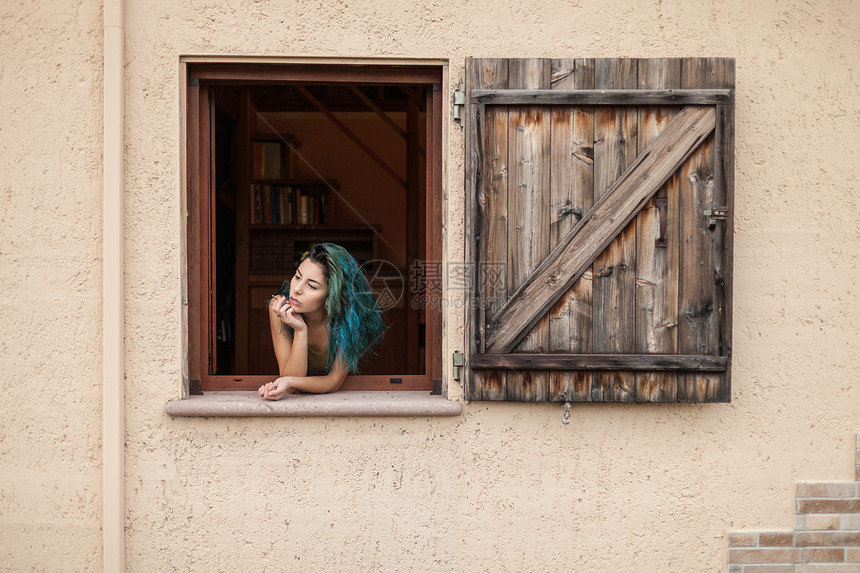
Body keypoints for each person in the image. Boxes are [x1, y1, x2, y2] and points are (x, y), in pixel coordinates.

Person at [258, 243, 384, 399]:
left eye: (311, 286)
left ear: (332, 295)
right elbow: (293, 388)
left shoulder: (351, 319)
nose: (297, 288)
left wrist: (289, 381)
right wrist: (300, 330)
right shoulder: (279, 307)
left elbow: (333, 381)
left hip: (344, 397)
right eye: (297, 276)